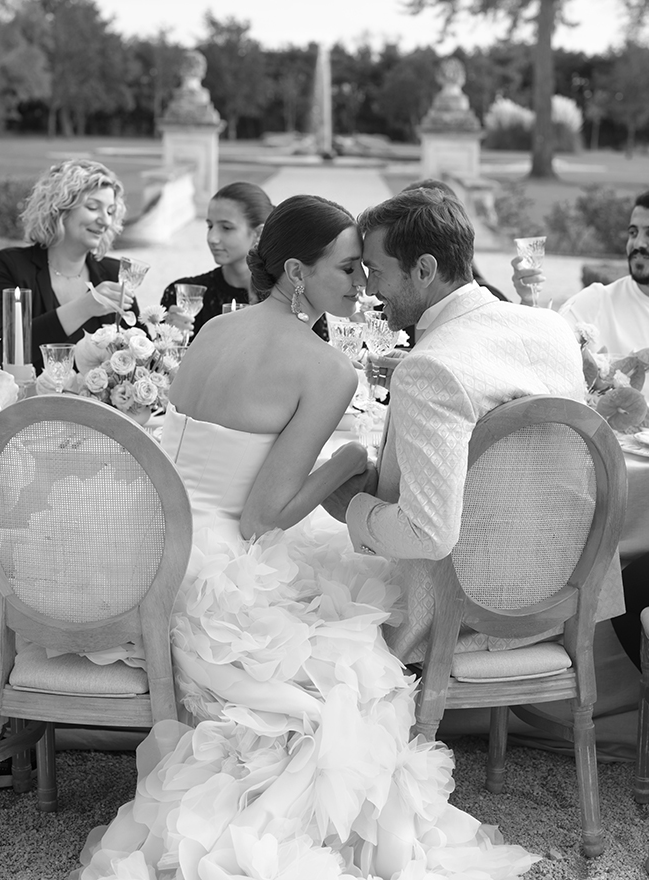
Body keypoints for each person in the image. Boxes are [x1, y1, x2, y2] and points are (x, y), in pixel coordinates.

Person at [72, 195, 539, 880]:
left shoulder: (214, 329)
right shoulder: (326, 368)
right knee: (352, 678)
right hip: (220, 571)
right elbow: (262, 518)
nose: (364, 285)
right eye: (348, 269)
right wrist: (348, 462)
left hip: (150, 545)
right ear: (297, 271)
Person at [322, 187, 585, 667]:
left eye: (376, 270)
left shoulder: (429, 367)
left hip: (456, 620)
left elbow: (427, 534)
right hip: (558, 602)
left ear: (424, 269)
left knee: (292, 607)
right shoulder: (551, 329)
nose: (370, 289)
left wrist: (353, 509)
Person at [0, 159, 133, 374]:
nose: (105, 221)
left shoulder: (114, 273)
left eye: (111, 211)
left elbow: (139, 357)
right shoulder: (13, 266)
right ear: (59, 209)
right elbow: (6, 349)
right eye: (93, 207)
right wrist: (84, 308)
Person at [512, 190, 649, 355]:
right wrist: (528, 302)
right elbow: (543, 350)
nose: (638, 243)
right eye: (633, 233)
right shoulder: (597, 302)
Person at [161, 181, 274, 340]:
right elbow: (156, 356)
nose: (212, 238)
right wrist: (168, 337)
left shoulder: (287, 296)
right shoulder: (183, 294)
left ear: (258, 233)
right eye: (210, 226)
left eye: (226, 228)